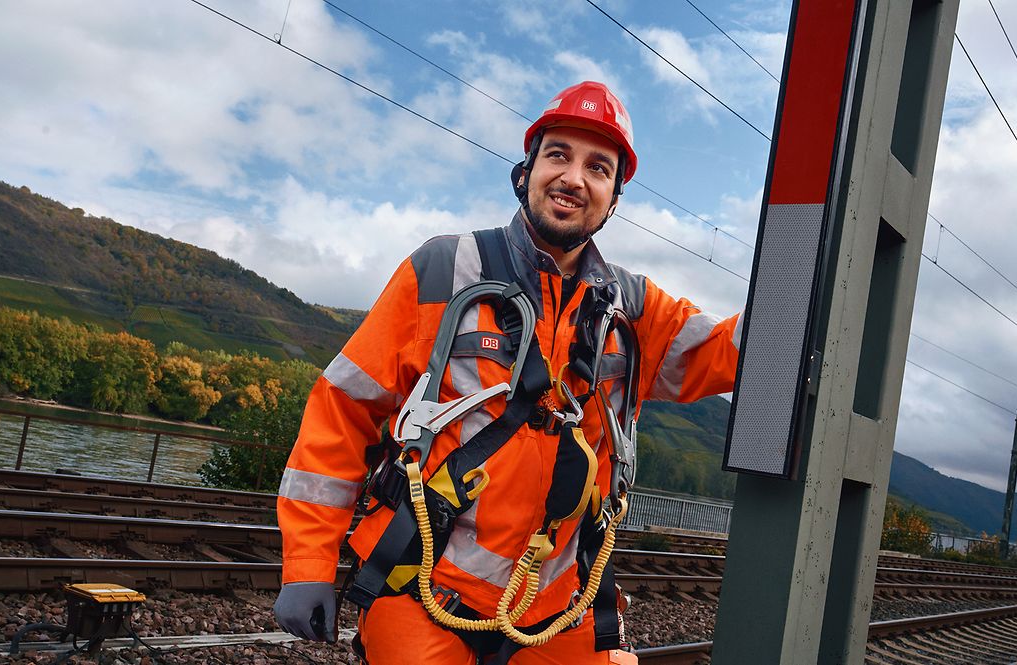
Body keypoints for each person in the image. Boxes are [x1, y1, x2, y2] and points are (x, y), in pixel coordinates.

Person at [274, 81, 742, 664]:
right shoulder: (444, 271)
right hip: (423, 591)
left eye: (598, 167)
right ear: (526, 172)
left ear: (614, 198)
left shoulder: (634, 310)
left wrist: (806, 268)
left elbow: (734, 352)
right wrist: (309, 564)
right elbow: (343, 412)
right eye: (558, 155)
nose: (574, 176)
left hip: (558, 610)